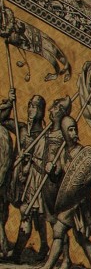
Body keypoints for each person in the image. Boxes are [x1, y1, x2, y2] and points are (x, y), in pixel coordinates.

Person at [29, 116, 91, 269]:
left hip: (79, 202)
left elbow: (86, 179)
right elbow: (58, 178)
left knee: (61, 231)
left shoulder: (82, 153)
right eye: (69, 129)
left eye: (74, 128)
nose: (74, 132)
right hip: (69, 201)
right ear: (63, 132)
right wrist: (51, 170)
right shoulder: (62, 153)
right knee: (80, 238)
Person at [0, 90, 47, 260]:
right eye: (29, 106)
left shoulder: (44, 136)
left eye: (35, 106)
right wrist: (9, 104)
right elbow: (2, 120)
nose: (31, 110)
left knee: (27, 213)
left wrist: (29, 159)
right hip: (14, 178)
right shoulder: (21, 128)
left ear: (41, 111)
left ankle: (17, 254)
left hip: (30, 180)